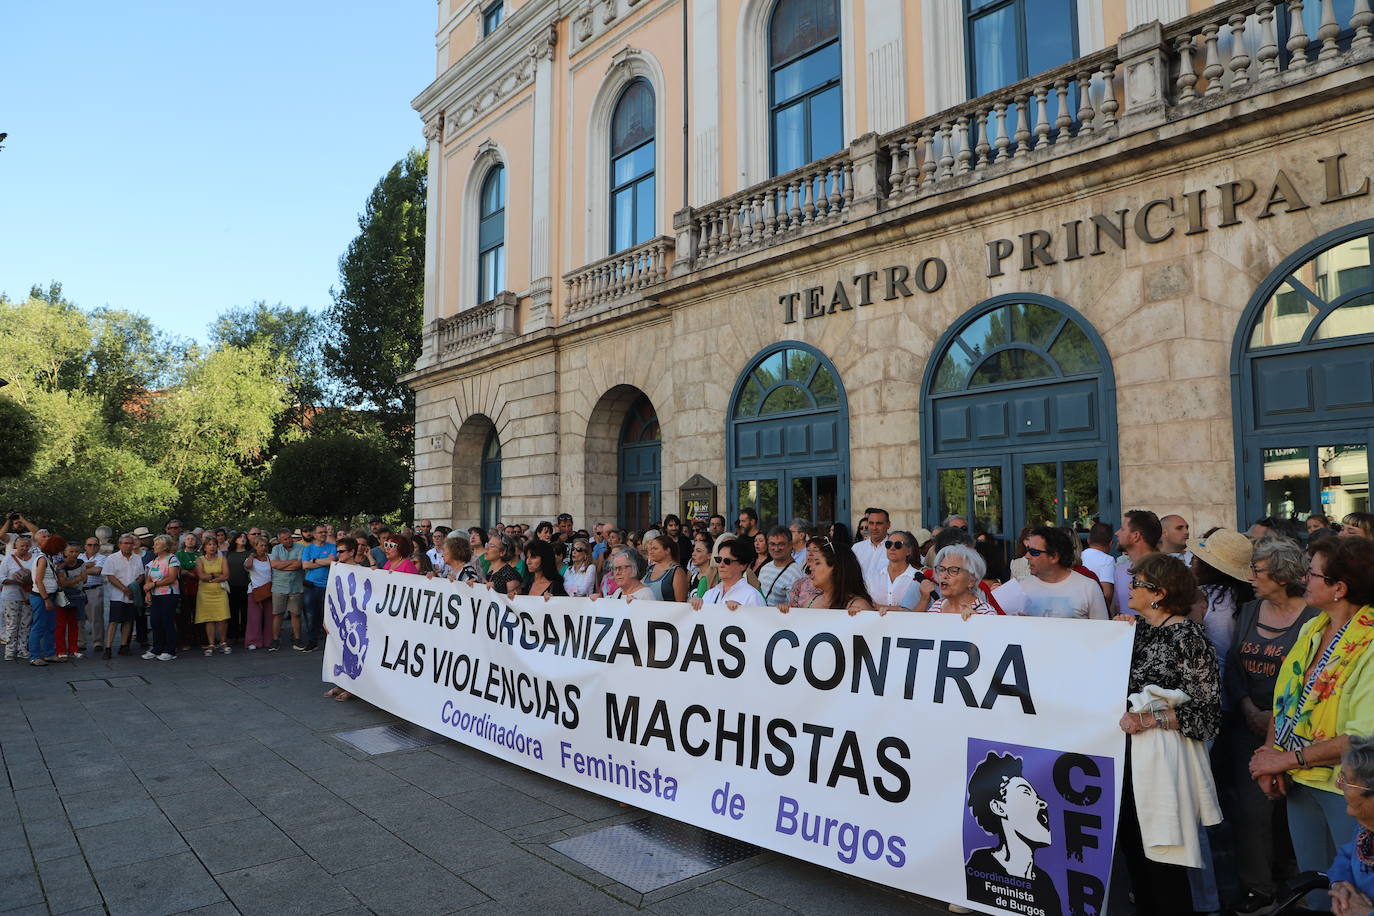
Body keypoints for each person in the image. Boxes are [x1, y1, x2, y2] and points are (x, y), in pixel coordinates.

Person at [1250, 536, 1374, 910]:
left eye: (1312, 573)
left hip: (1348, 788)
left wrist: (1283, 760)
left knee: (1354, 897)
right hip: (1301, 780)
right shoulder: (1314, 628)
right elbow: (1286, 699)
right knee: (1317, 892)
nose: (1304, 578)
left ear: (1340, 588)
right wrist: (1272, 753)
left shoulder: (1369, 641)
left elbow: (1361, 735)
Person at [1115, 552, 1222, 916]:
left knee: (1163, 858)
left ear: (1158, 593)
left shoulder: (1188, 637)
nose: (1128, 588)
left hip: (1165, 762)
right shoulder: (1137, 629)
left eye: (1136, 583)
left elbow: (1207, 715)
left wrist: (1149, 720)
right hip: (1126, 758)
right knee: (1133, 849)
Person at [1220, 536, 1318, 914]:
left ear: (1280, 574)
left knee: (1296, 807)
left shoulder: (1313, 616)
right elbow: (1233, 662)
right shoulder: (1248, 610)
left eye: (1258, 571)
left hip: (1299, 729)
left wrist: (1275, 719)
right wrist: (1247, 706)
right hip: (1249, 724)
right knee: (1252, 809)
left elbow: (1312, 674)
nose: (1251, 577)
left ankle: (1299, 879)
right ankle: (1258, 888)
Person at [962, 752, 1062, 916]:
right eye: (1026, 793)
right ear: (999, 808)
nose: (1042, 803)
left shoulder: (1045, 884)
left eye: (1036, 795)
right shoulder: (979, 865)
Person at [994, 527, 1108, 619]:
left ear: (1054, 557)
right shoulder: (1023, 588)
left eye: (1034, 552)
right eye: (1028, 550)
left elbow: (1103, 634)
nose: (1027, 556)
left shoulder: (1089, 588)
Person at [1188, 527, 1255, 677]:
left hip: (1210, 678)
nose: (1192, 562)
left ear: (1206, 566)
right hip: (1240, 680)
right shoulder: (1247, 597)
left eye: (1196, 558)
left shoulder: (1201, 596)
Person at [1328, 736, 1374, 916]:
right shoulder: (1365, 830)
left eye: (1346, 780)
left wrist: (1366, 913)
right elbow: (1346, 856)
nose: (1338, 786)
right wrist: (1340, 885)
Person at [921, 544, 996, 618]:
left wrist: (976, 621)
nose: (944, 576)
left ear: (971, 580)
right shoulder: (937, 606)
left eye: (953, 571)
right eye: (941, 569)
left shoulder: (985, 613)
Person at [100, 534, 144, 658]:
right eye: (125, 543)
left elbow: (141, 575)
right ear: (120, 544)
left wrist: (134, 586)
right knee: (113, 621)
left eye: (130, 543)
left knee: (128, 621)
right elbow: (110, 576)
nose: (128, 546)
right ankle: (108, 648)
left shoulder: (137, 558)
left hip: (131, 595)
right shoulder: (112, 558)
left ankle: (124, 646)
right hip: (117, 595)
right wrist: (125, 589)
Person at [693, 537, 766, 610]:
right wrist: (694, 606)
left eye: (727, 561)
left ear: (742, 565)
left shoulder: (752, 595)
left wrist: (742, 611)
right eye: (719, 560)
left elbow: (761, 620)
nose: (721, 565)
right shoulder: (710, 593)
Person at [1113, 510, 1162, 615]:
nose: (1116, 533)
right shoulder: (1120, 571)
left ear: (1136, 536)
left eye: (1122, 529)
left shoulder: (1165, 570)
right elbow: (1118, 610)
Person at [27, 535, 67, 666]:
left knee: (50, 626)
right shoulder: (42, 559)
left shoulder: (48, 558)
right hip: (41, 597)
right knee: (38, 627)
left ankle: (50, 653)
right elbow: (38, 581)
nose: (60, 551)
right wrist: (46, 599)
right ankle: (35, 656)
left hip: (49, 596)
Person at [141, 535, 180, 661]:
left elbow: (171, 578)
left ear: (165, 546)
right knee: (155, 622)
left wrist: (154, 584)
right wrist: (148, 592)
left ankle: (170, 650)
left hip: (169, 594)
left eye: (157, 544)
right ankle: (157, 648)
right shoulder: (155, 560)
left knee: (167, 621)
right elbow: (149, 577)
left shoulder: (172, 559)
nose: (153, 547)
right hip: (156, 595)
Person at [300, 523, 336, 652]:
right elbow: (305, 565)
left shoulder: (332, 547)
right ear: (314, 534)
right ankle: (312, 641)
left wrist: (314, 561)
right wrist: (324, 561)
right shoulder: (308, 548)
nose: (323, 534)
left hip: (327, 586)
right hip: (311, 585)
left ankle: (331, 642)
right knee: (310, 614)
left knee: (326, 615)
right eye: (320, 532)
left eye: (325, 532)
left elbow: (332, 562)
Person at [2, 533, 36, 661]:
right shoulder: (8, 559)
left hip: (28, 595)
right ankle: (10, 651)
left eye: (27, 546)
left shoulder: (34, 558)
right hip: (11, 595)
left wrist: (28, 580)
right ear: (16, 546)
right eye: (22, 546)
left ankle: (23, 649)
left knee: (26, 623)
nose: (24, 548)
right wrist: (17, 581)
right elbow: (1, 578)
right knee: (12, 624)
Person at [195, 534, 231, 656]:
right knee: (209, 618)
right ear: (204, 547)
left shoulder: (222, 559)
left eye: (214, 544)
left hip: (220, 591)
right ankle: (211, 643)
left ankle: (223, 642)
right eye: (209, 545)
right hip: (205, 593)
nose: (212, 547)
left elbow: (226, 575)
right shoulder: (200, 560)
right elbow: (201, 576)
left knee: (223, 618)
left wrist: (211, 577)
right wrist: (216, 575)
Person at [269, 528, 305, 652]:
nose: (289, 540)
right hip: (279, 586)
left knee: (296, 614)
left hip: (296, 586)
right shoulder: (275, 549)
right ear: (279, 540)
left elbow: (299, 565)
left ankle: (297, 639)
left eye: (290, 537)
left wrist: (282, 565)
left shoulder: (300, 547)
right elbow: (274, 564)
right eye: (285, 539)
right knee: (278, 614)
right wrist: (291, 563)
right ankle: (275, 640)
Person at [55, 542, 90, 658]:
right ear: (65, 552)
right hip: (63, 597)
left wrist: (76, 580)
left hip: (78, 596)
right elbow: (63, 583)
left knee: (75, 623)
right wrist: (78, 578)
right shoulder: (60, 566)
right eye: (71, 551)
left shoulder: (81, 563)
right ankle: (61, 650)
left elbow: (85, 579)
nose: (74, 554)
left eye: (76, 551)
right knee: (61, 625)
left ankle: (73, 649)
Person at [870, 530, 919, 610]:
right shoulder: (873, 577)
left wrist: (879, 607)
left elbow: (915, 609)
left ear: (909, 551)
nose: (892, 548)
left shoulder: (917, 578)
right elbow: (868, 603)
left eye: (898, 545)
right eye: (888, 544)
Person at [852, 507, 892, 601]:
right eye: (871, 523)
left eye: (879, 523)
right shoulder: (856, 548)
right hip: (859, 602)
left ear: (888, 525)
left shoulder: (895, 548)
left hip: (885, 605)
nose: (874, 527)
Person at [758, 526, 804, 606]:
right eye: (772, 544)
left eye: (781, 544)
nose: (776, 548)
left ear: (790, 545)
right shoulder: (765, 568)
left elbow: (796, 606)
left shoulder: (795, 574)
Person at [243, 536, 274, 651]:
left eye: (265, 545)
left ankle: (269, 640)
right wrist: (251, 555)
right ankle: (253, 641)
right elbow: (247, 566)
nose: (263, 547)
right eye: (260, 545)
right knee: (254, 617)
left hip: (269, 590)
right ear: (255, 546)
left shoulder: (270, 557)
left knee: (270, 617)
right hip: (255, 591)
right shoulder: (250, 559)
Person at [77, 536, 106, 651]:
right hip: (79, 590)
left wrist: (80, 569)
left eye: (95, 545)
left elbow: (97, 571)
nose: (92, 547)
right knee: (78, 619)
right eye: (89, 545)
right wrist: (88, 566)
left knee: (96, 618)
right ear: (85, 546)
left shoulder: (102, 558)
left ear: (99, 546)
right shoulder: (79, 556)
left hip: (94, 589)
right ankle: (80, 642)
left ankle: (98, 642)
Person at [1079, 522, 1117, 606]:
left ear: (1088, 540)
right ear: (1110, 543)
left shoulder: (1079, 556)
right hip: (1095, 608)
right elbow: (1107, 593)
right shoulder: (1107, 560)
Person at [643, 534, 689, 602]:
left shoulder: (677, 572)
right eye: (651, 549)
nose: (651, 552)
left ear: (667, 550)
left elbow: (681, 603)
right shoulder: (650, 569)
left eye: (655, 549)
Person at [225, 531, 251, 642]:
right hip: (231, 585)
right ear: (235, 539)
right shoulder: (229, 553)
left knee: (245, 610)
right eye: (240, 537)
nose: (243, 539)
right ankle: (233, 632)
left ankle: (245, 632)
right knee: (232, 610)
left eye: (245, 537)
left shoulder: (250, 553)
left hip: (246, 585)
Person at [688, 534, 714, 599]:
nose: (693, 554)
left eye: (698, 551)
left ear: (709, 555)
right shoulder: (693, 577)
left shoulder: (715, 577)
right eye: (693, 550)